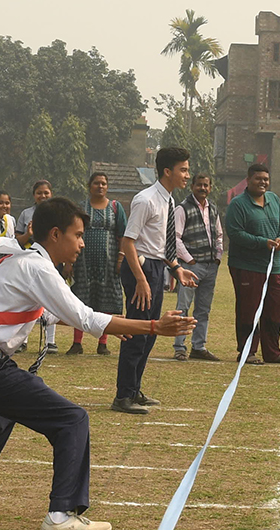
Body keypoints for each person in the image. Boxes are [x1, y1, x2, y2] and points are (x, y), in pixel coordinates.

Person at [0, 197, 196, 530]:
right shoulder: (36, 267)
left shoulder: (21, 261)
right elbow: (82, 316)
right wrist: (153, 326)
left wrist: (120, 326)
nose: (82, 243)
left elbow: (56, 315)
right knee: (72, 419)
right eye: (78, 234)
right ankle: (61, 513)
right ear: (55, 234)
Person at [115, 148, 198, 414]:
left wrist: (177, 270)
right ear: (167, 171)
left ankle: (134, 389)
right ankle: (122, 396)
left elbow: (159, 247)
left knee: (151, 332)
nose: (187, 175)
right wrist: (140, 280)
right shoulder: (145, 200)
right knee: (138, 332)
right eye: (183, 170)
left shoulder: (170, 201)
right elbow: (128, 242)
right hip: (140, 269)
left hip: (157, 267)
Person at [226, 162, 280, 365]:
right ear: (248, 181)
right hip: (247, 266)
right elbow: (235, 233)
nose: (262, 182)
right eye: (258, 179)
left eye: (266, 179)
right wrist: (262, 243)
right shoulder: (238, 204)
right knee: (249, 309)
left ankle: (272, 352)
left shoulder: (273, 199)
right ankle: (247, 351)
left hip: (274, 266)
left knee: (276, 307)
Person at [65, 173, 127, 357]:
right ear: (89, 185)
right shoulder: (80, 208)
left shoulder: (116, 208)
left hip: (109, 264)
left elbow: (123, 234)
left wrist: (121, 258)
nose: (100, 186)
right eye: (96, 183)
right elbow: (71, 233)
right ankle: (77, 343)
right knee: (81, 300)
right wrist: (69, 262)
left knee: (105, 300)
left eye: (104, 183)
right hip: (83, 262)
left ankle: (103, 343)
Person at [173, 173, 224, 362]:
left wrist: (218, 257)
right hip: (190, 267)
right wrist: (189, 260)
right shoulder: (182, 209)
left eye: (206, 185)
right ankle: (179, 347)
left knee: (203, 309)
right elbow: (176, 238)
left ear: (210, 188)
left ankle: (199, 346)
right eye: (199, 185)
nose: (203, 188)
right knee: (183, 307)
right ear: (192, 186)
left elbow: (219, 235)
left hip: (211, 266)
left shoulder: (213, 209)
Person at [15, 181, 58, 354]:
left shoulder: (57, 213)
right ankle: (21, 340)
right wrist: (28, 234)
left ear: (51, 193)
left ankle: (50, 342)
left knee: (51, 298)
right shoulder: (26, 214)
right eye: (39, 193)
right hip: (29, 260)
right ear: (34, 195)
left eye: (46, 193)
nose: (43, 196)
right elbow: (17, 240)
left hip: (52, 260)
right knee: (27, 298)